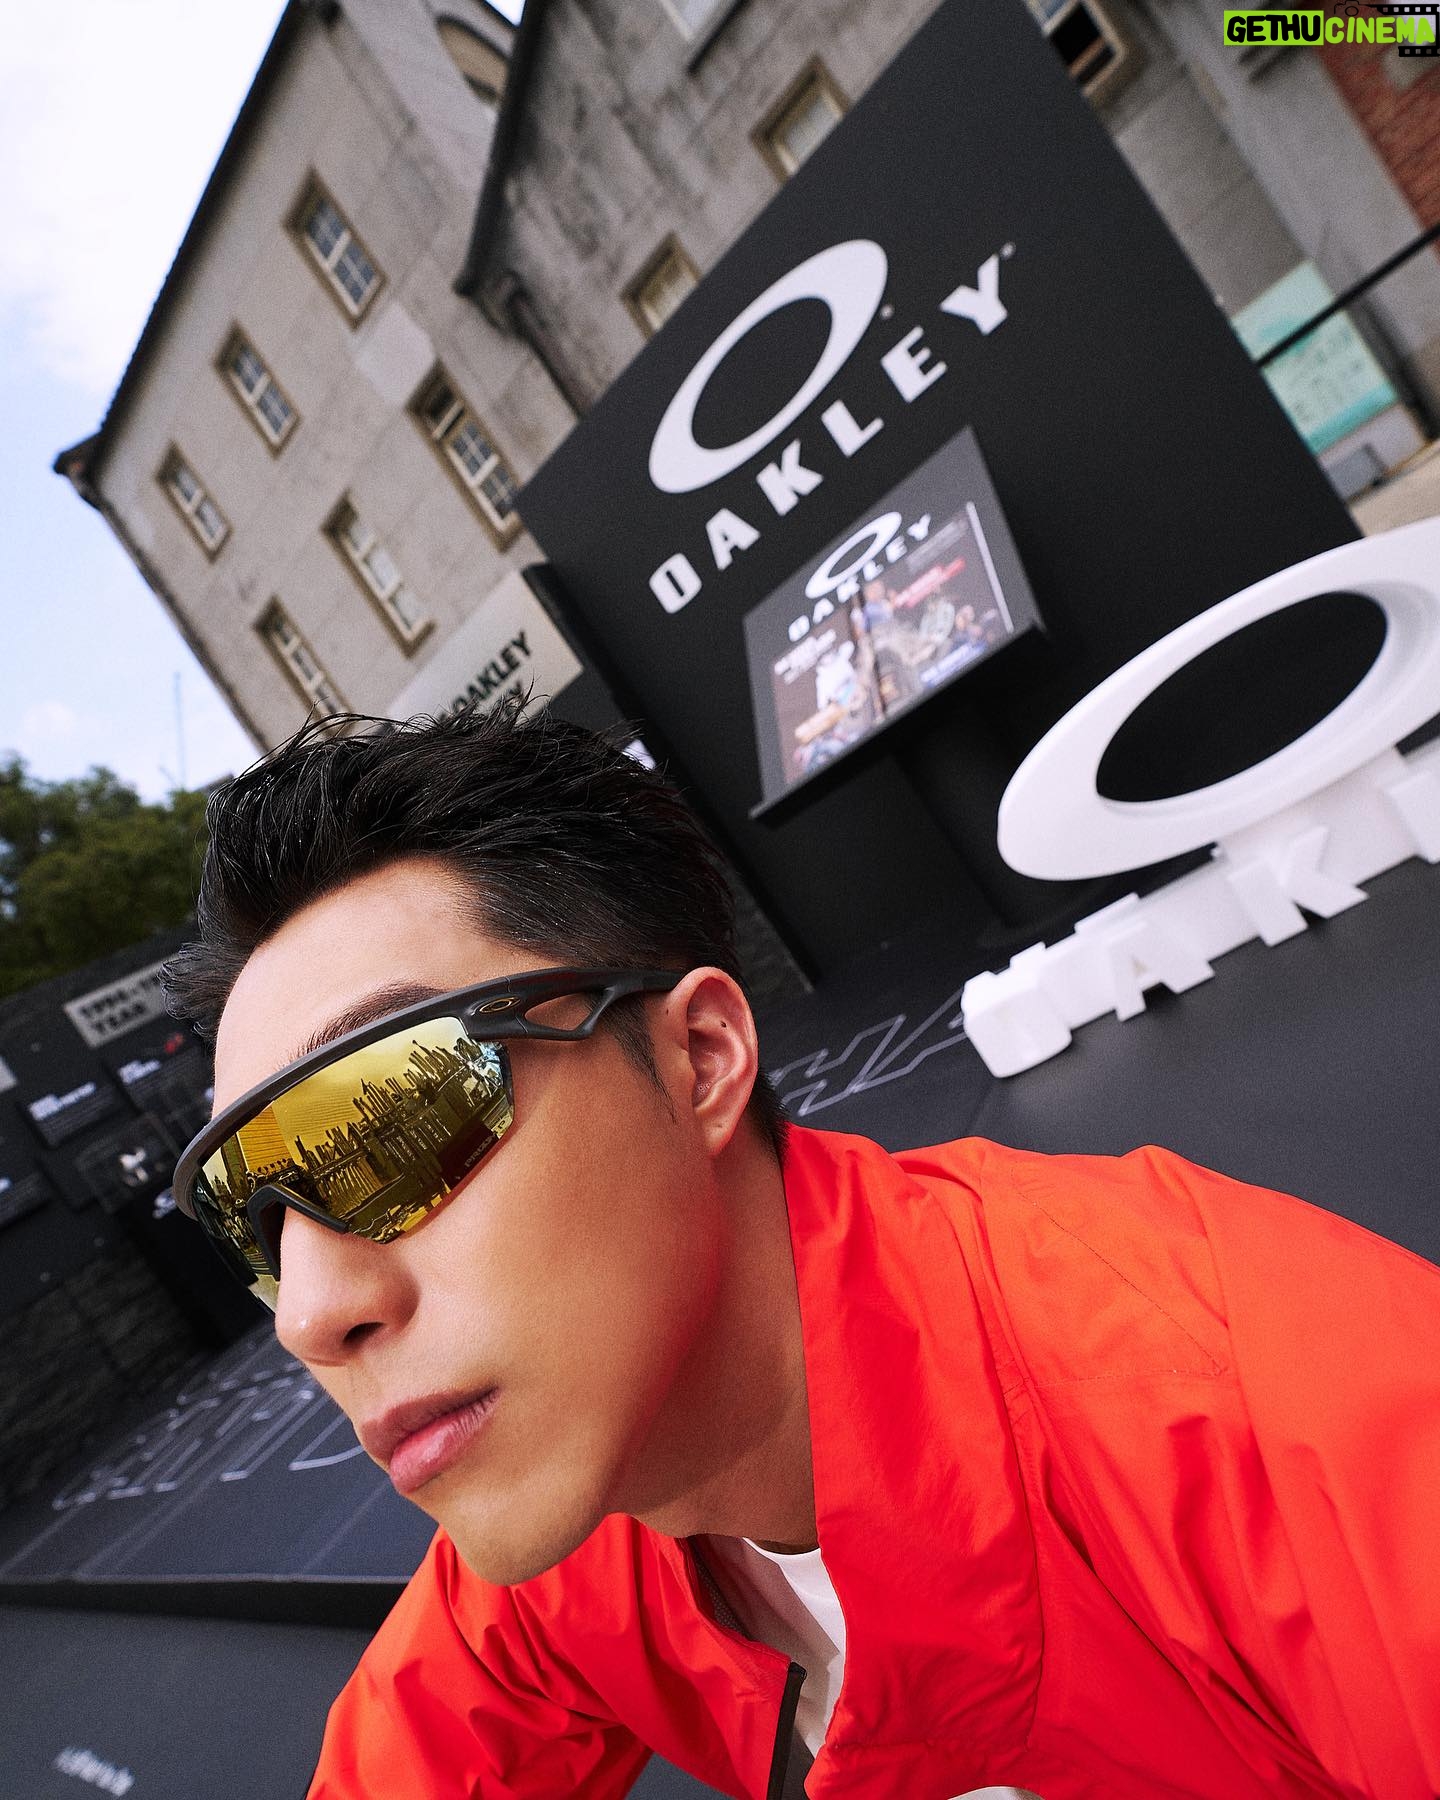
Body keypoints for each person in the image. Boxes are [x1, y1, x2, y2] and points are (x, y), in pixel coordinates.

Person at [166, 703, 1440, 1800]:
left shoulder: (1259, 1411)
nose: (308, 1312)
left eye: (389, 1123)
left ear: (700, 1059)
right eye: (251, 1218)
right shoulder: (573, 1526)